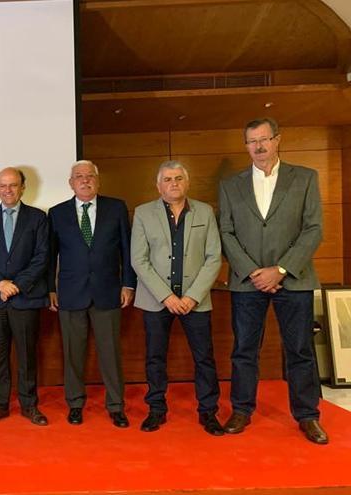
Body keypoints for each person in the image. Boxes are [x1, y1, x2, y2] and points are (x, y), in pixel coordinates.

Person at [219, 117, 328, 444]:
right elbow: (226, 232)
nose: (259, 146)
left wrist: (280, 269)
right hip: (247, 282)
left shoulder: (305, 178)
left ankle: (308, 416)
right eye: (252, 141)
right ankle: (241, 410)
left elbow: (313, 229)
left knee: (299, 350)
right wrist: (254, 271)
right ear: (246, 146)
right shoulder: (230, 185)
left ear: (278, 140)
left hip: (293, 280)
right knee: (244, 350)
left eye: (265, 139)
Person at [130, 161, 223, 435]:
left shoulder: (205, 212)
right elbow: (139, 259)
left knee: (204, 358)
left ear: (187, 182)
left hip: (196, 300)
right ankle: (156, 409)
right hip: (157, 300)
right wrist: (167, 296)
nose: (173, 183)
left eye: (179, 178)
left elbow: (213, 257)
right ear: (158, 186)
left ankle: (208, 412)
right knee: (155, 357)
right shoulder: (143, 213)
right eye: (167, 179)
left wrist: (192, 296)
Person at [48, 160, 135, 428]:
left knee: (110, 352)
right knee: (73, 353)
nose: (85, 180)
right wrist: (50, 288)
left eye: (90, 176)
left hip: (108, 291)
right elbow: (50, 255)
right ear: (70, 182)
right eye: (79, 177)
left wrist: (128, 284)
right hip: (70, 293)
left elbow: (127, 249)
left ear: (98, 180)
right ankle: (75, 404)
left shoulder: (116, 208)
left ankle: (116, 405)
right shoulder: (57, 213)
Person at [0, 167, 49, 426]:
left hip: (25, 297)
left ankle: (29, 405)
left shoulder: (38, 218)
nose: (8, 190)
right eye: (3, 185)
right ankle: (0, 404)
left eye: (13, 185)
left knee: (27, 354)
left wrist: (16, 284)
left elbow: (42, 257)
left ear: (23, 187)